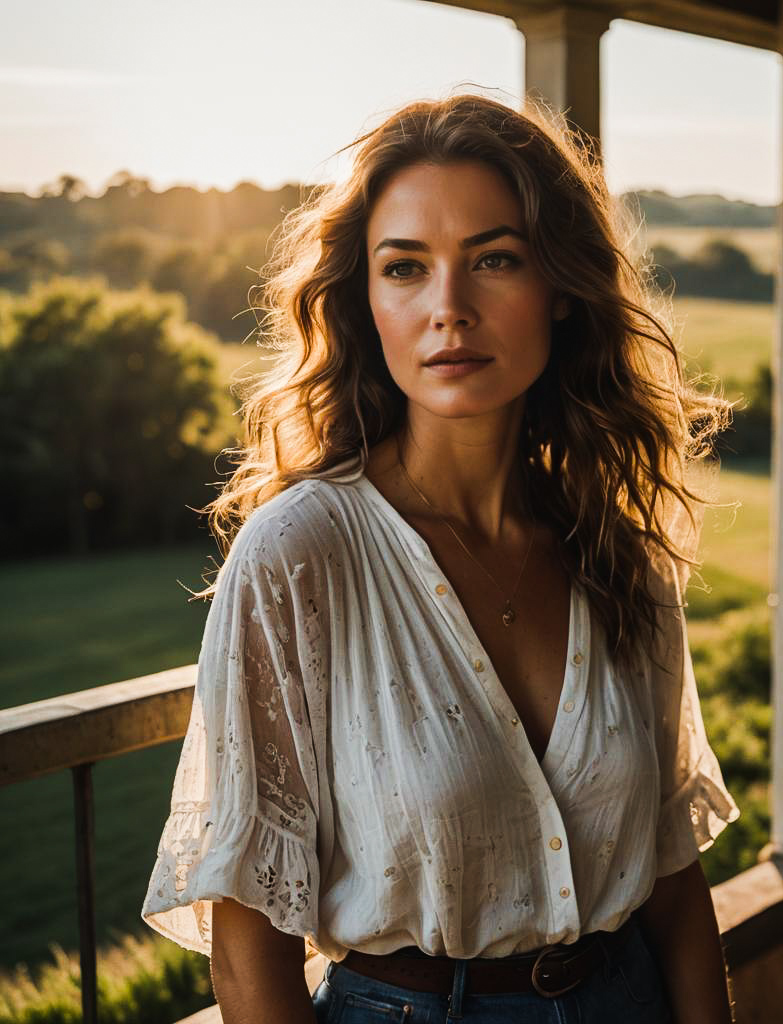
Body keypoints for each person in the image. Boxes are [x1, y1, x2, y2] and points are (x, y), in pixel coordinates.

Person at [142, 93, 740, 1024]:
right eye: (406, 268)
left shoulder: (612, 549)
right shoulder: (303, 555)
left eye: (494, 260)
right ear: (365, 302)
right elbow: (250, 943)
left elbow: (670, 875)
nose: (448, 309)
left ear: (561, 289)